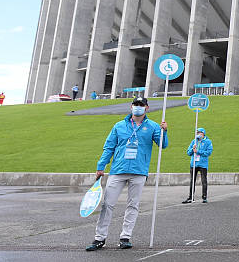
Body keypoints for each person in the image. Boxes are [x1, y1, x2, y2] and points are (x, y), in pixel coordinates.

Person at [86, 97, 169, 251]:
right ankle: (99, 238)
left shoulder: (152, 126)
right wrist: (101, 166)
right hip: (118, 170)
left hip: (139, 171)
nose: (138, 107)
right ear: (131, 107)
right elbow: (109, 147)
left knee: (133, 205)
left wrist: (164, 131)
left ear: (146, 108)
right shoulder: (119, 126)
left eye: (141, 105)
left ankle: (125, 237)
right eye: (136, 105)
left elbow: (163, 145)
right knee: (107, 204)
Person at [183, 127, 213, 204]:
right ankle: (190, 197)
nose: (198, 134)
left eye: (199, 133)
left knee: (204, 181)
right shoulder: (194, 141)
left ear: (203, 134)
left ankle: (204, 197)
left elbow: (208, 152)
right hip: (193, 164)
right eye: (197, 133)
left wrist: (198, 151)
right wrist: (192, 150)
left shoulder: (208, 142)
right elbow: (188, 152)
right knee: (192, 181)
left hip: (203, 164)